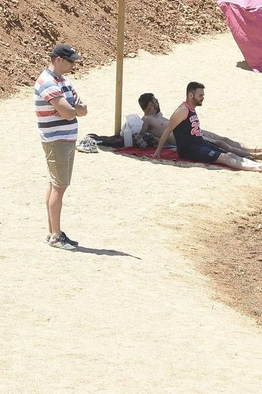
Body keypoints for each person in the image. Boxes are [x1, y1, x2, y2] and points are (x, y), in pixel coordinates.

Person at [35, 44, 87, 250]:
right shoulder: (47, 82)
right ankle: (55, 235)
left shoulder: (63, 81)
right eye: (71, 61)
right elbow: (70, 112)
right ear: (59, 60)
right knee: (59, 185)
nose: (74, 65)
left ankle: (53, 232)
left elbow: (81, 109)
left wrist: (70, 109)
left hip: (64, 139)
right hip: (56, 140)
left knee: (55, 184)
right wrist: (70, 109)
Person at [154, 83, 262, 171]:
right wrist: (158, 152)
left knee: (229, 153)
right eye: (200, 95)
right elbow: (167, 130)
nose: (203, 98)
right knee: (225, 158)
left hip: (200, 144)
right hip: (191, 150)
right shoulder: (182, 111)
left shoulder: (191, 109)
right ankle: (259, 167)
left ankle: (256, 161)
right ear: (191, 95)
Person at [88, 92, 171, 149]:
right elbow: (139, 136)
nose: (157, 102)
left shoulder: (159, 116)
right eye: (155, 100)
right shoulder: (147, 119)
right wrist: (156, 140)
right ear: (150, 104)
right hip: (178, 139)